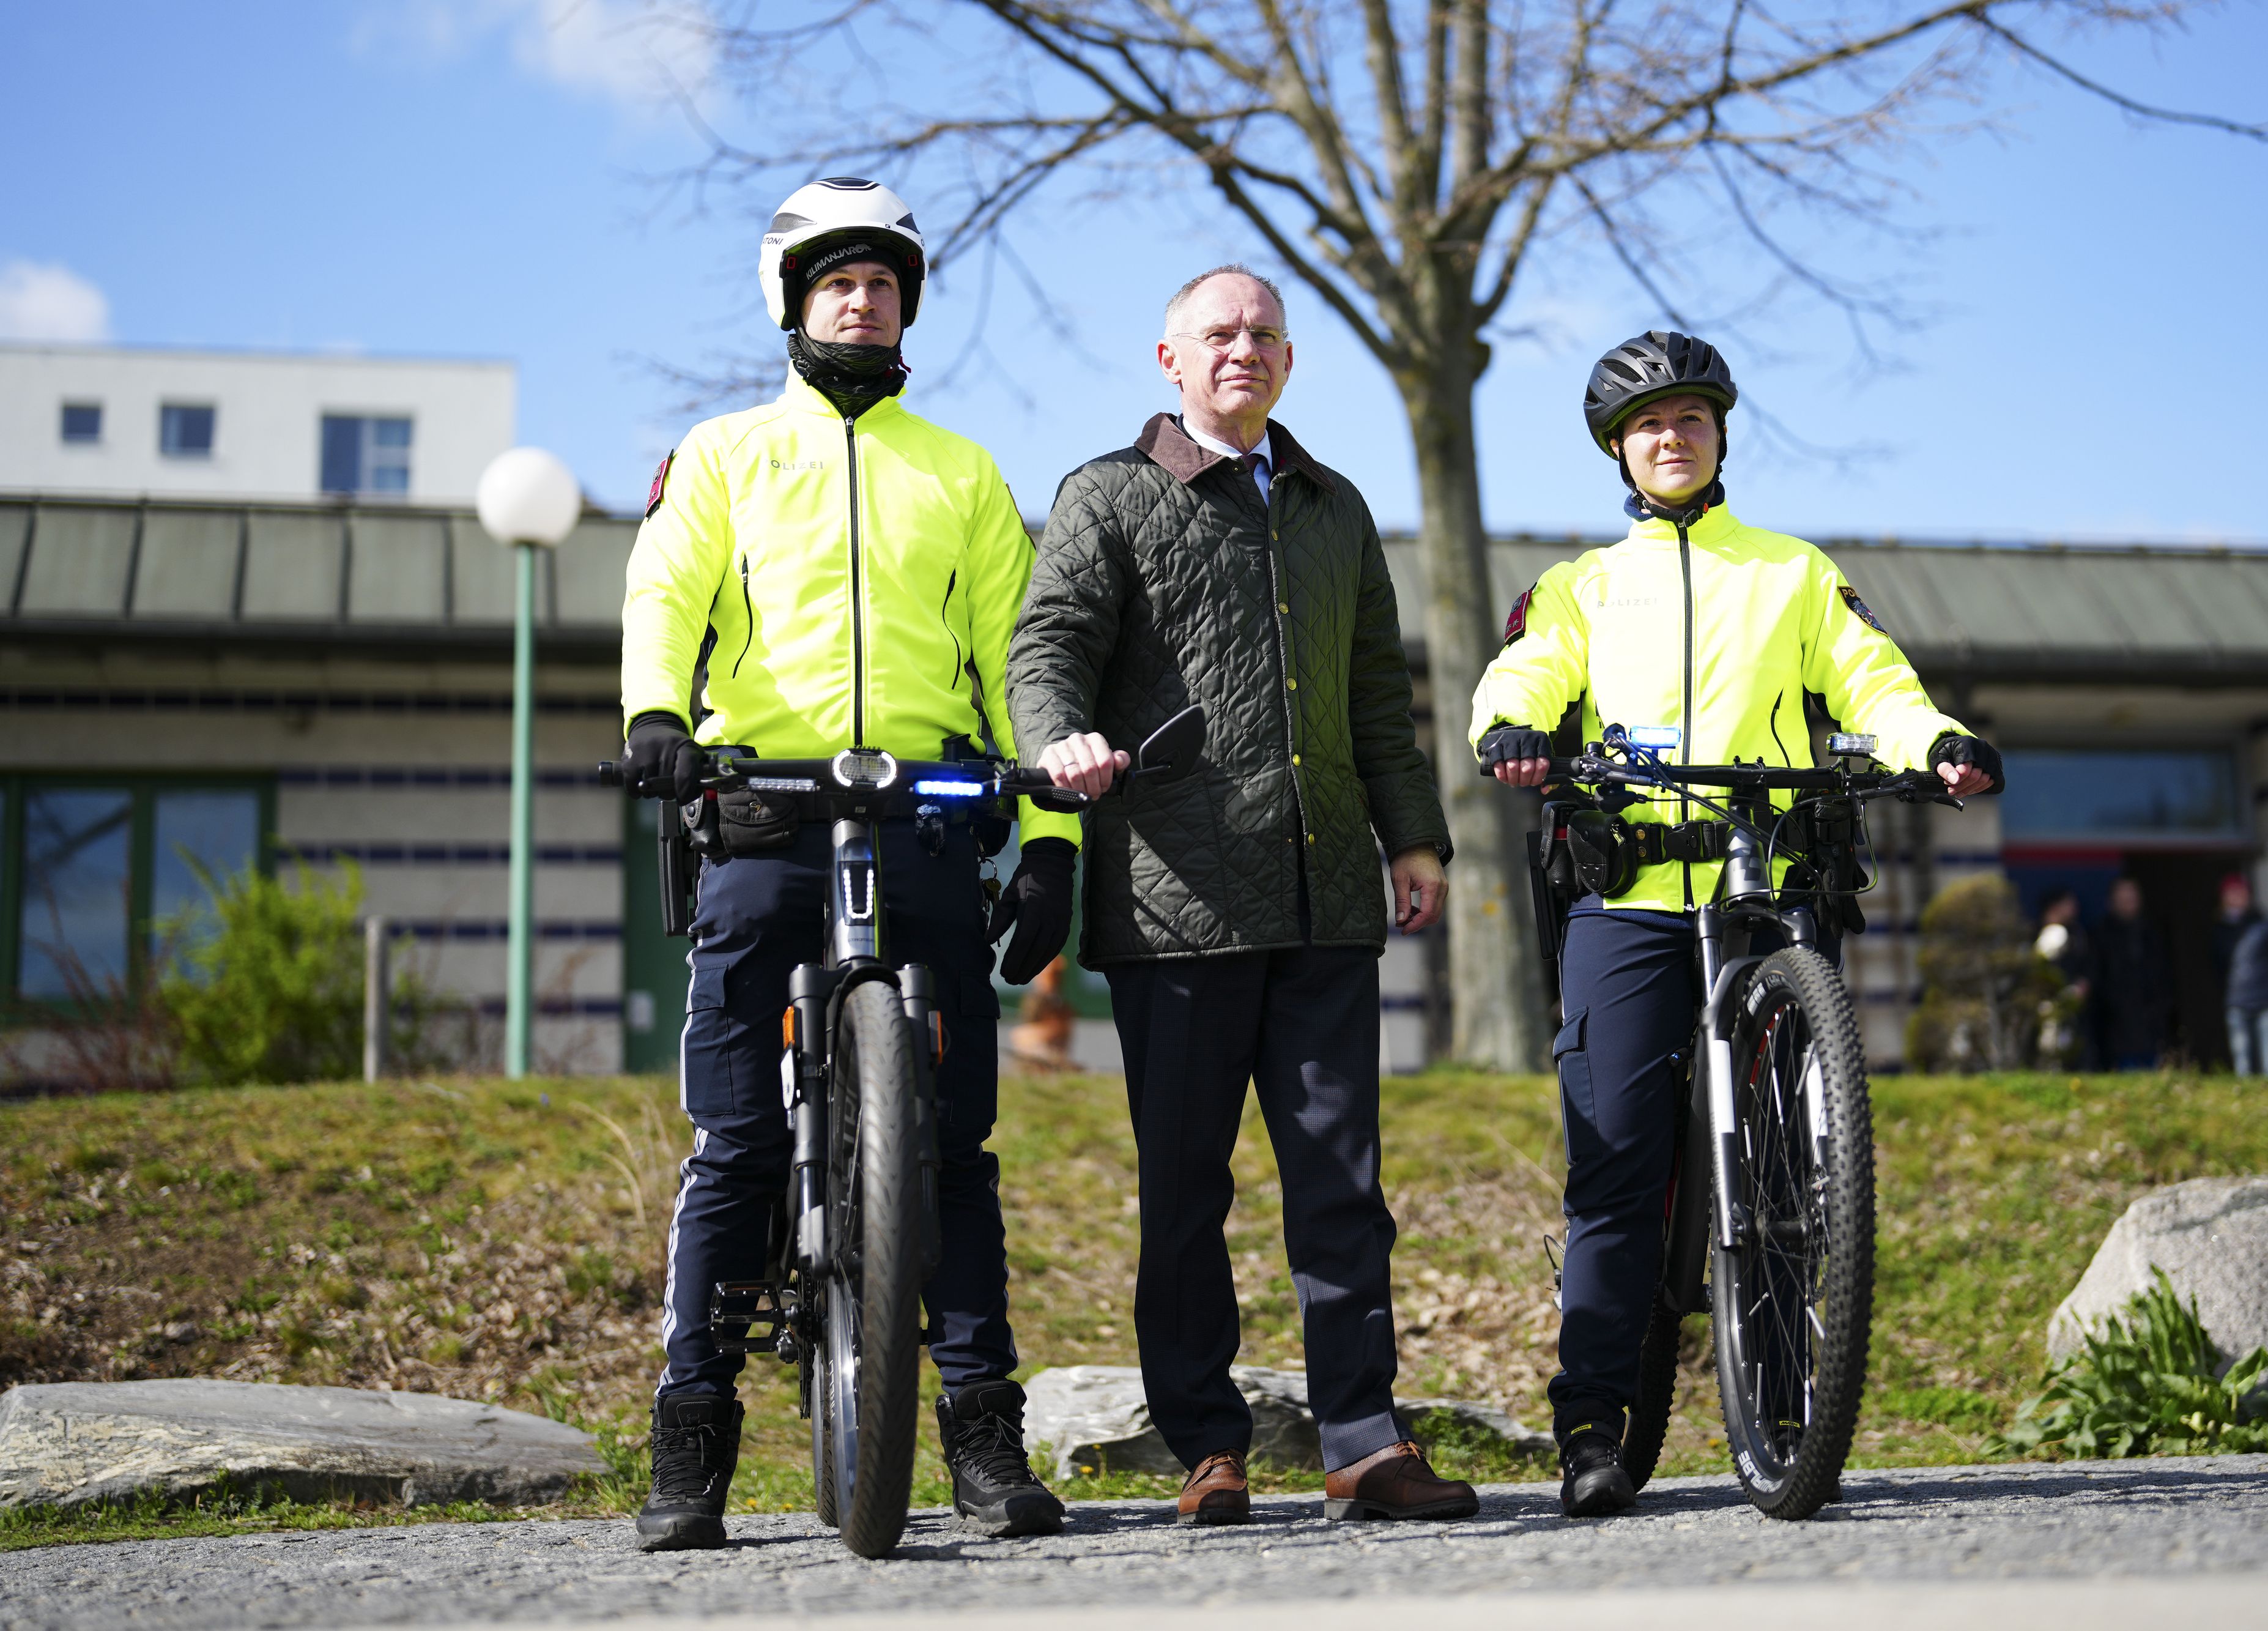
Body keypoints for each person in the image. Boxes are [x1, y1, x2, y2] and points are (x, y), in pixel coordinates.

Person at [1468, 331, 2002, 1518]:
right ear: (1618, 449)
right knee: (1614, 1166)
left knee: (1797, 1168)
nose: (1673, 436)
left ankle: (1785, 1402)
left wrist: (1936, 743)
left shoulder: (1792, 573)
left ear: (1718, 434)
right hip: (1631, 902)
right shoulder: (1579, 586)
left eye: (1692, 418)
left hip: (1766, 893)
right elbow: (1527, 672)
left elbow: (1872, 682)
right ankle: (1591, 1426)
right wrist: (1511, 729)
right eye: (1649, 424)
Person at [618, 177, 1078, 1550]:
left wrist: (1051, 838)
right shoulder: (725, 455)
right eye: (838, 281)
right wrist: (655, 715)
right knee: (736, 1148)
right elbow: (666, 590)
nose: (862, 299)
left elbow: (1022, 659)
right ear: (794, 302)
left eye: (882, 281)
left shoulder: (963, 472)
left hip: (924, 821)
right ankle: (691, 1439)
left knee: (957, 1152)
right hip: (765, 813)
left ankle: (982, 1437)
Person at [1009, 264, 1475, 1527]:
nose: (1243, 350)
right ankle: (1206, 1445)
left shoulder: (1334, 507)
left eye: (1264, 333)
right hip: (1175, 905)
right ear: (1169, 358)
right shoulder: (1108, 494)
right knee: (1185, 1194)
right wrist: (1057, 738)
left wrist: (1412, 839)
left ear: (1288, 359)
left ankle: (1363, 1442)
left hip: (1325, 901)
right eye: (1218, 333)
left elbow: (1375, 691)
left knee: (1342, 1189)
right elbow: (1048, 644)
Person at [2091, 876, 2171, 1071]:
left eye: (2132, 898)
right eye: (2123, 899)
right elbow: (2098, 980)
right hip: (2116, 1027)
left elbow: (2162, 977)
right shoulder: (2102, 935)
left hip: (2150, 1023)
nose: (2129, 903)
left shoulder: (2150, 933)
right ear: (2112, 902)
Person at [2213, 872, 2268, 1076]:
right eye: (2232, 892)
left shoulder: (2266, 926)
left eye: (2241, 892)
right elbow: (2218, 968)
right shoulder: (2220, 931)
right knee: (2243, 1065)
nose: (2237, 897)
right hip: (2237, 1001)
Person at [2034, 888, 2097, 1069]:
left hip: (2073, 1005)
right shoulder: (2037, 934)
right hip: (2045, 1006)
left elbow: (2088, 965)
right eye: (2069, 904)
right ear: (2054, 907)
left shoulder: (2078, 934)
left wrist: (2083, 983)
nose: (2074, 908)